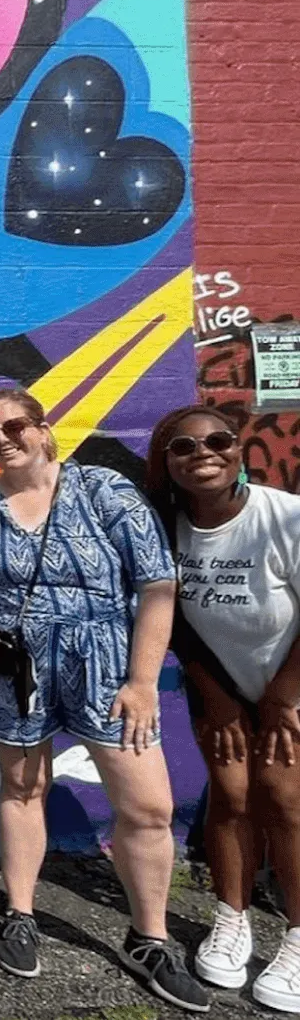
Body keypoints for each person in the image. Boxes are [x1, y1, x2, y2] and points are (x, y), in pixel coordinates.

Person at [0, 389, 209, 1013]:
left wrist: (142, 682)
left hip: (106, 669)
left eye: (14, 426)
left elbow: (157, 584)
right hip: (18, 671)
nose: (2, 439)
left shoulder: (102, 490)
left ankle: (150, 937)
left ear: (42, 428)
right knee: (21, 788)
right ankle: (20, 913)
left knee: (147, 806)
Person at [148, 406, 300, 1011]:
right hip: (223, 685)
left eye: (218, 441)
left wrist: (281, 697)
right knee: (231, 794)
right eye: (184, 446)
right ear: (167, 462)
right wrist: (216, 695)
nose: (203, 453)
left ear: (238, 450)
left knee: (284, 801)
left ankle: (296, 937)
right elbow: (173, 615)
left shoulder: (284, 518)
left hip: (291, 682)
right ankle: (231, 917)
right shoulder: (166, 527)